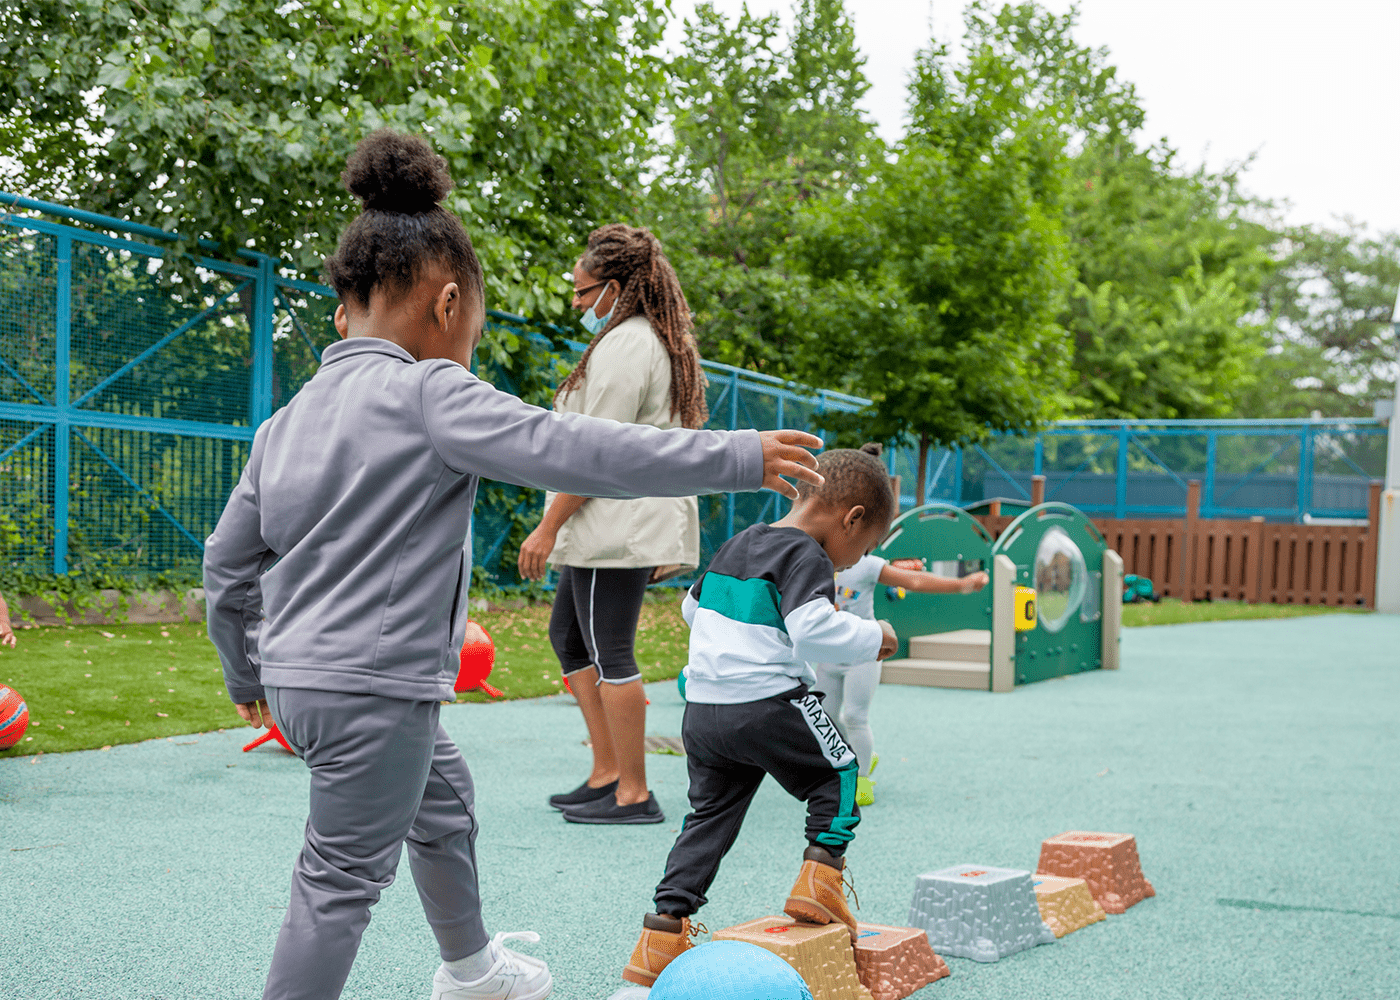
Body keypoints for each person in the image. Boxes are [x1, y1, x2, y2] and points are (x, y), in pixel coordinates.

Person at [203, 129, 824, 1000]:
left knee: (442, 795)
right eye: (475, 323)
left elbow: (226, 564)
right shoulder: (429, 391)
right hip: (374, 691)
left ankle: (474, 972)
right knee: (338, 883)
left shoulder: (285, 423)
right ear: (448, 303)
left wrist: (245, 672)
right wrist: (736, 456)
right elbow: (576, 449)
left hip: (305, 684)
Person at [622, 448, 899, 988]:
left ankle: (662, 932)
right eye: (861, 549)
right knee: (839, 772)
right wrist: (876, 635)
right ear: (853, 517)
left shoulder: (741, 542)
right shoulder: (808, 556)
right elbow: (814, 631)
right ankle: (820, 881)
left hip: (704, 713)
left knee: (709, 817)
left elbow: (691, 609)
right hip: (769, 702)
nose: (850, 564)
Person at [517, 224, 708, 826]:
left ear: (616, 287)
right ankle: (606, 774)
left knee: (611, 653)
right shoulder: (631, 339)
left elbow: (595, 453)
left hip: (616, 527)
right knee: (570, 640)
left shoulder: (629, 343)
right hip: (606, 524)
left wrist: (546, 527)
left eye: (582, 292)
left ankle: (633, 792)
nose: (575, 303)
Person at [812, 446, 989, 807]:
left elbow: (917, 582)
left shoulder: (867, 564)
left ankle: (861, 779)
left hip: (864, 649)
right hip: (830, 652)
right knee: (825, 716)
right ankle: (848, 763)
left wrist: (963, 584)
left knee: (855, 715)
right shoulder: (817, 558)